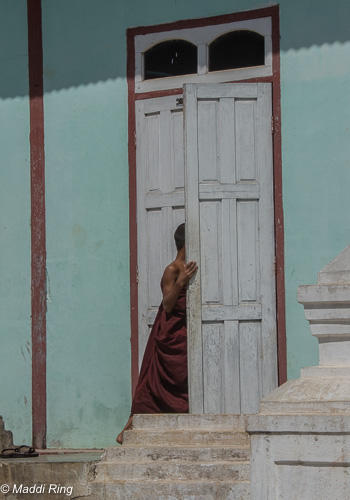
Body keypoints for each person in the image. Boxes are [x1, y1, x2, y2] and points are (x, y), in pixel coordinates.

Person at [116, 223, 197, 444]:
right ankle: (127, 429)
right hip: (170, 331)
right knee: (153, 383)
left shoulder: (195, 266)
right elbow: (169, 304)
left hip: (186, 331)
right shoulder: (172, 270)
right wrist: (181, 282)